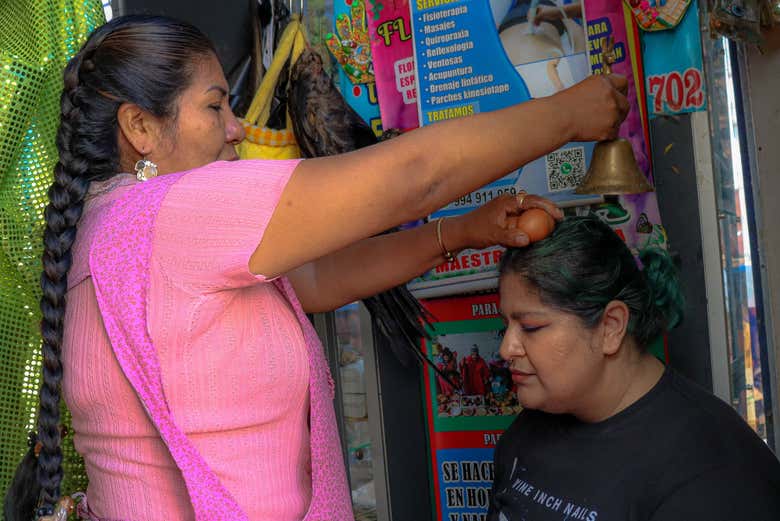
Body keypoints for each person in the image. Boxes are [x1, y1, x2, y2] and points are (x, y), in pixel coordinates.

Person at [4, 14, 628, 521]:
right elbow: (412, 178)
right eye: (215, 108)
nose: (237, 127)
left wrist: (461, 231)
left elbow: (311, 283)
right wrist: (566, 116)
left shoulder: (107, 228)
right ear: (140, 127)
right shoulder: (172, 210)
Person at [489, 216, 780, 520]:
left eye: (531, 327)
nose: (506, 348)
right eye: (506, 325)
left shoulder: (714, 475)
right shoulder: (528, 430)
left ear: (610, 327)